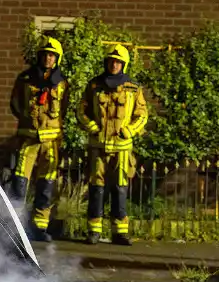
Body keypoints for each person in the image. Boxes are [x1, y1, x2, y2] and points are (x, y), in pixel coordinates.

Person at [78, 43, 148, 246]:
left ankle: (120, 232)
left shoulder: (133, 88)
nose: (114, 65)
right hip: (98, 146)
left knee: (120, 188)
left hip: (122, 148)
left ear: (123, 65)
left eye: (118, 62)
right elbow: (80, 110)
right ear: (106, 62)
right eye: (111, 61)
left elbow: (142, 115)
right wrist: (90, 125)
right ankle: (94, 231)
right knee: (96, 188)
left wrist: (130, 131)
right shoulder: (93, 86)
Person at [9, 35, 67, 242]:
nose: (48, 59)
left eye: (52, 56)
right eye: (45, 55)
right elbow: (15, 103)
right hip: (28, 139)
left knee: (46, 184)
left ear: (57, 58)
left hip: (51, 143)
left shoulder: (62, 83)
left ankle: (39, 227)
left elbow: (66, 110)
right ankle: (15, 224)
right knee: (19, 180)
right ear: (39, 56)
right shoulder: (25, 79)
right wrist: (26, 119)